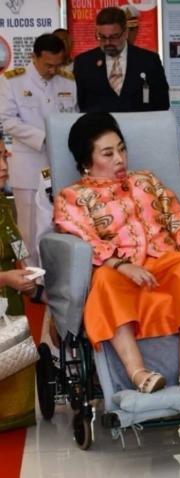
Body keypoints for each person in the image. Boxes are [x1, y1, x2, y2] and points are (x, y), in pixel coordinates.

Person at [53, 113, 180, 394]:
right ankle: (138, 373)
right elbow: (82, 236)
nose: (120, 159)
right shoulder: (72, 196)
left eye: (122, 149)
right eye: (108, 153)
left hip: (163, 263)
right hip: (118, 271)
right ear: (86, 162)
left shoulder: (146, 180)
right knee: (104, 280)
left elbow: (176, 215)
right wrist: (121, 265)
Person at [0, 33, 77, 267]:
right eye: (48, 65)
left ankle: (56, 274)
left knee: (60, 223)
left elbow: (74, 118)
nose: (52, 70)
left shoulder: (68, 81)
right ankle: (30, 276)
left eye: (57, 65)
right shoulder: (12, 81)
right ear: (34, 57)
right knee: (28, 228)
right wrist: (45, 138)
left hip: (61, 165)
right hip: (30, 166)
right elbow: (7, 121)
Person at [0, 135, 39, 432]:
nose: (4, 166)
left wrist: (25, 268)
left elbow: (15, 240)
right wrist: (5, 278)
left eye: (4, 156)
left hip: (8, 297)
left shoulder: (2, 202)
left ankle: (13, 415)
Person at [73, 7, 170, 113]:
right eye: (102, 37)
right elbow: (81, 104)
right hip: (100, 123)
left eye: (114, 37)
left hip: (139, 122)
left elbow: (162, 103)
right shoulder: (84, 63)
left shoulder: (149, 61)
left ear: (126, 33)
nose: (107, 43)